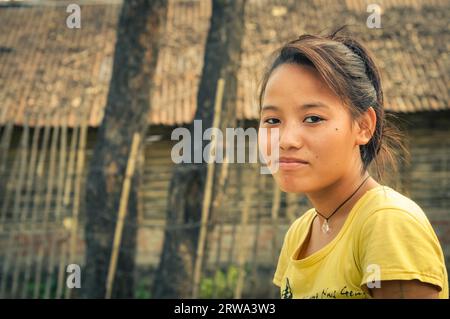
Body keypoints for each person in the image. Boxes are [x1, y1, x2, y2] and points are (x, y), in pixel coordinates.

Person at [257, 27, 448, 299]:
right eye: (272, 120)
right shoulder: (300, 233)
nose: (286, 140)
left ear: (363, 126)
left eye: (313, 118)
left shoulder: (387, 223)